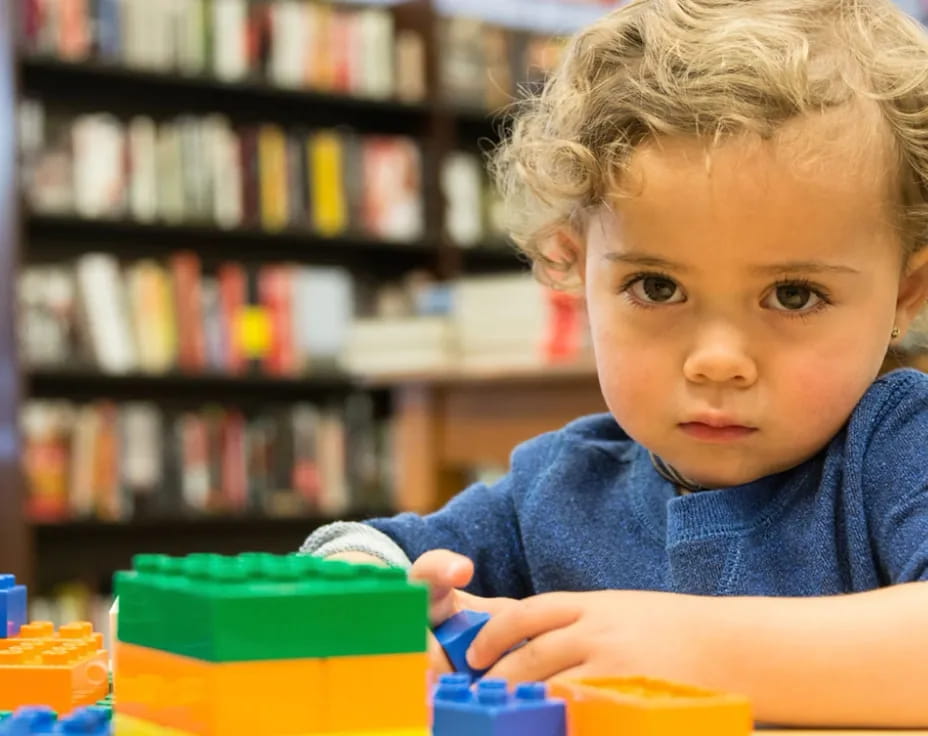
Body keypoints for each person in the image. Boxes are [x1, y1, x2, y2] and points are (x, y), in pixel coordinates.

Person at [303, 0, 928, 727]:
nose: (718, 361)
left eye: (793, 294)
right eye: (657, 287)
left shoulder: (899, 452)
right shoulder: (559, 488)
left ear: (903, 296)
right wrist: (360, 604)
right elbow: (374, 552)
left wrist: (692, 650)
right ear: (573, 267)